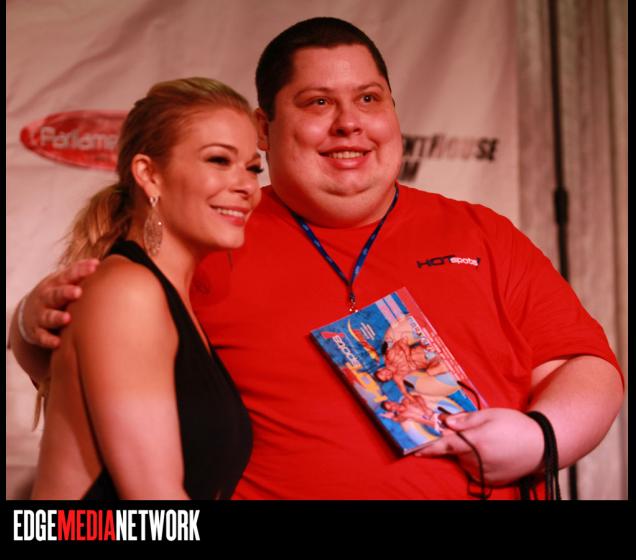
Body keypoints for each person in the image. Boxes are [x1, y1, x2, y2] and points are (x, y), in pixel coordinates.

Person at [11, 18, 624, 499]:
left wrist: (540, 436)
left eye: (369, 98)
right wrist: (29, 323)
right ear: (264, 126)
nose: (349, 123)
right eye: (318, 103)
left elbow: (586, 367)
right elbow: (89, 386)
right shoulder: (211, 235)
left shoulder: (482, 232)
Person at [25, 77, 261, 499]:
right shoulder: (128, 292)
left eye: (253, 167)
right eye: (219, 160)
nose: (246, 185)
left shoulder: (164, 295)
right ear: (149, 174)